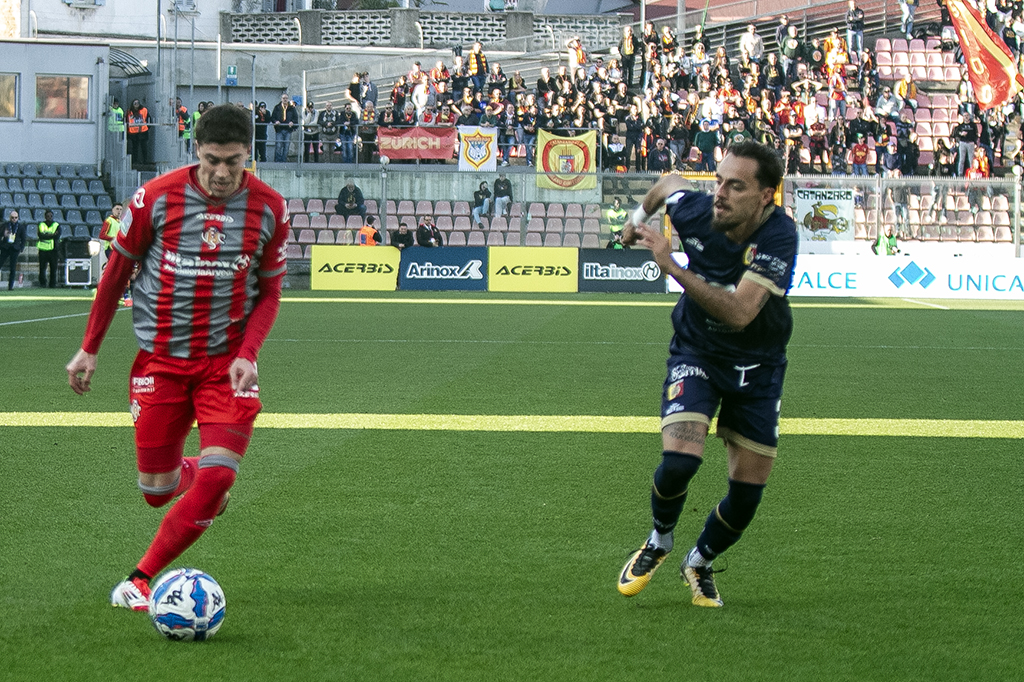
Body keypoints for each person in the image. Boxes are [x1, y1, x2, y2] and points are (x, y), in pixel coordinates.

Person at [64, 104, 290, 612]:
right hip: (160, 362)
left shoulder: (270, 208)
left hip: (226, 367)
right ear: (197, 151)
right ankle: (197, 480)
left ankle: (140, 579)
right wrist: (89, 347)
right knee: (156, 489)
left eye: (233, 161)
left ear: (248, 155)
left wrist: (249, 353)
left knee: (220, 474)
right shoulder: (155, 197)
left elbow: (271, 293)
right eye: (212, 160)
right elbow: (116, 273)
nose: (222, 172)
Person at [616, 141, 797, 608]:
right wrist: (635, 221)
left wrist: (671, 265)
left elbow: (739, 312)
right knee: (680, 461)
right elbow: (666, 184)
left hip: (758, 367)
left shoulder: (778, 235)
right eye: (719, 180)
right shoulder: (698, 210)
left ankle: (699, 561)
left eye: (736, 186)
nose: (720, 193)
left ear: (765, 196)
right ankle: (659, 540)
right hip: (697, 350)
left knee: (747, 496)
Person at [1, 209, 27, 290]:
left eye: (16, 217)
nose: (14, 219)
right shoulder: (5, 225)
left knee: (13, 268)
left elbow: (23, 238)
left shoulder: (21, 227)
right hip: (5, 247)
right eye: (12, 217)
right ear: (10, 218)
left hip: (15, 248)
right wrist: (4, 235)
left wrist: (21, 248)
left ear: (18, 218)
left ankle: (10, 286)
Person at [36, 209, 61, 288]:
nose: (49, 217)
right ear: (45, 217)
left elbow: (57, 236)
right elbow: (40, 235)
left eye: (50, 216)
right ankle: (42, 283)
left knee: (53, 268)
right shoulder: (41, 225)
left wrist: (46, 235)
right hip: (43, 250)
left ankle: (52, 284)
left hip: (53, 250)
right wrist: (51, 235)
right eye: (47, 216)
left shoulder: (56, 225)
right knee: (42, 268)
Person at [271, 94, 298, 163]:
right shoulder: (277, 107)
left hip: (288, 130)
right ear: (281, 99)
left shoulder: (292, 108)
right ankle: (277, 161)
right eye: (283, 98)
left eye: (286, 98)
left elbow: (296, 118)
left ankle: (284, 161)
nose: (285, 99)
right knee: (278, 145)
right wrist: (275, 121)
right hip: (279, 129)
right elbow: (272, 117)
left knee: (286, 146)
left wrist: (292, 122)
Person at [126, 99, 150, 167]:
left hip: (143, 132)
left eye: (137, 103)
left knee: (144, 147)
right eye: (135, 103)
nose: (136, 105)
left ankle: (145, 161)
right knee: (134, 148)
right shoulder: (129, 112)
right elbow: (127, 121)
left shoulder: (144, 110)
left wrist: (147, 127)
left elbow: (148, 119)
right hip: (133, 133)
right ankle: (135, 161)